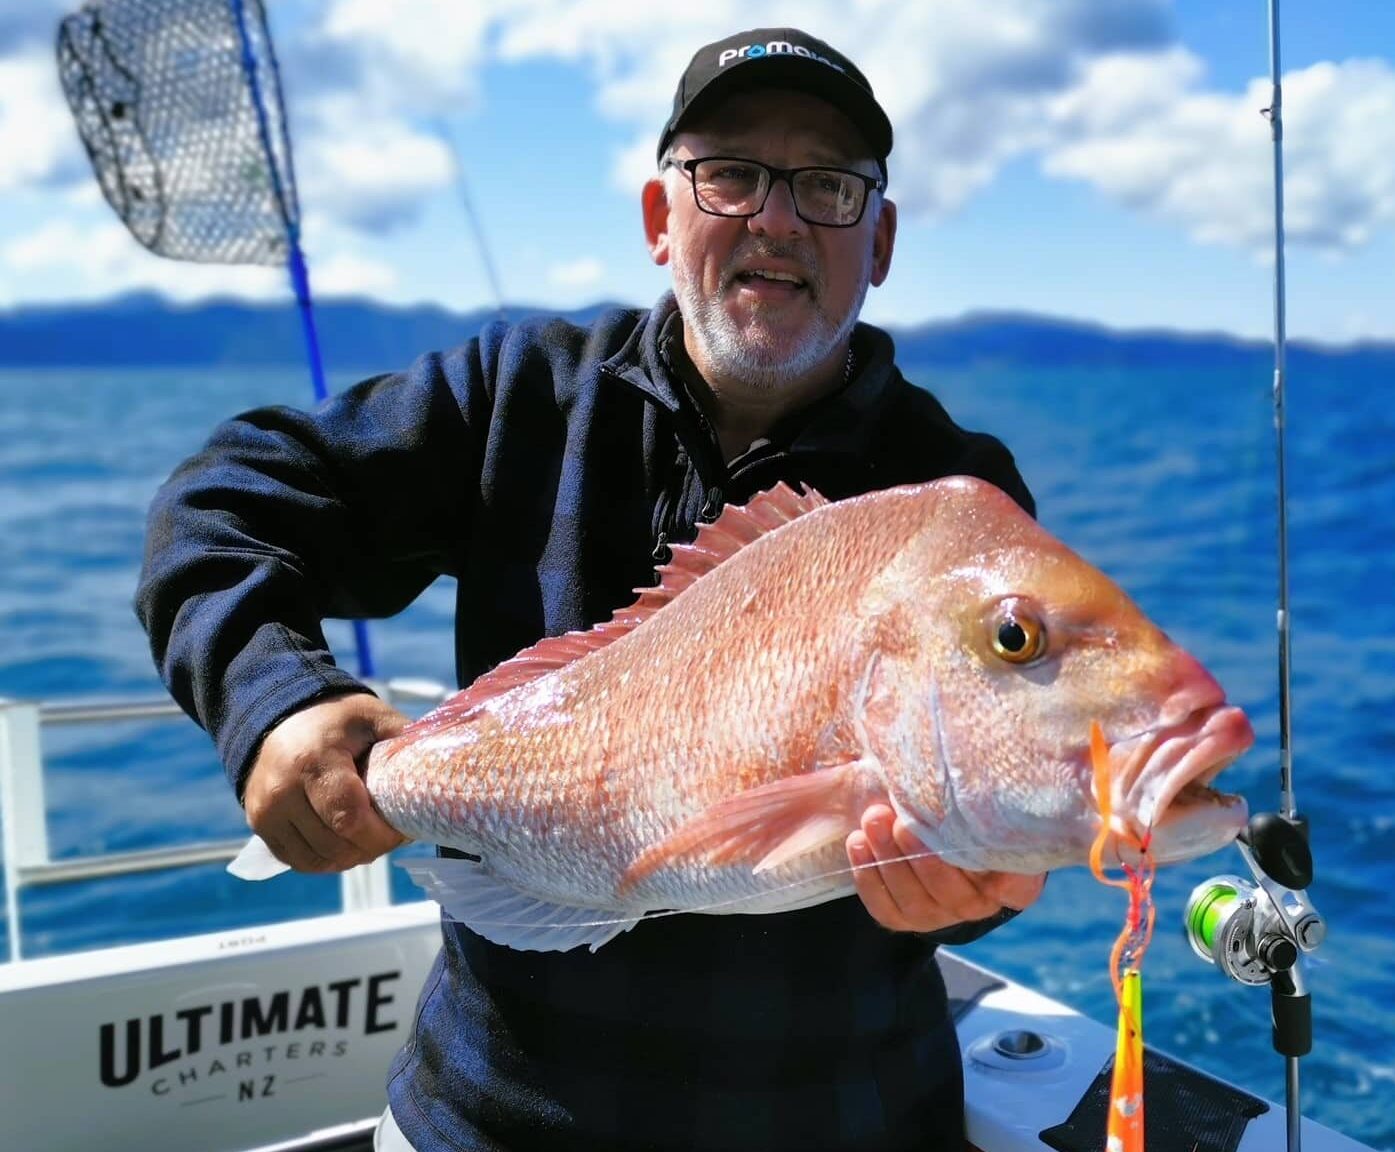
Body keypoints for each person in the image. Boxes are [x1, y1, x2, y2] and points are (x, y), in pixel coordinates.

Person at [137, 26, 1047, 1152]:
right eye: (731, 175)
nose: (776, 219)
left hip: (843, 1122)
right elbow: (221, 503)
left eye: (827, 185)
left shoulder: (957, 505)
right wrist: (275, 698)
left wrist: (991, 880)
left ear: (881, 239)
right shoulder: (517, 392)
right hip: (490, 1117)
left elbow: (1003, 778)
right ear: (661, 219)